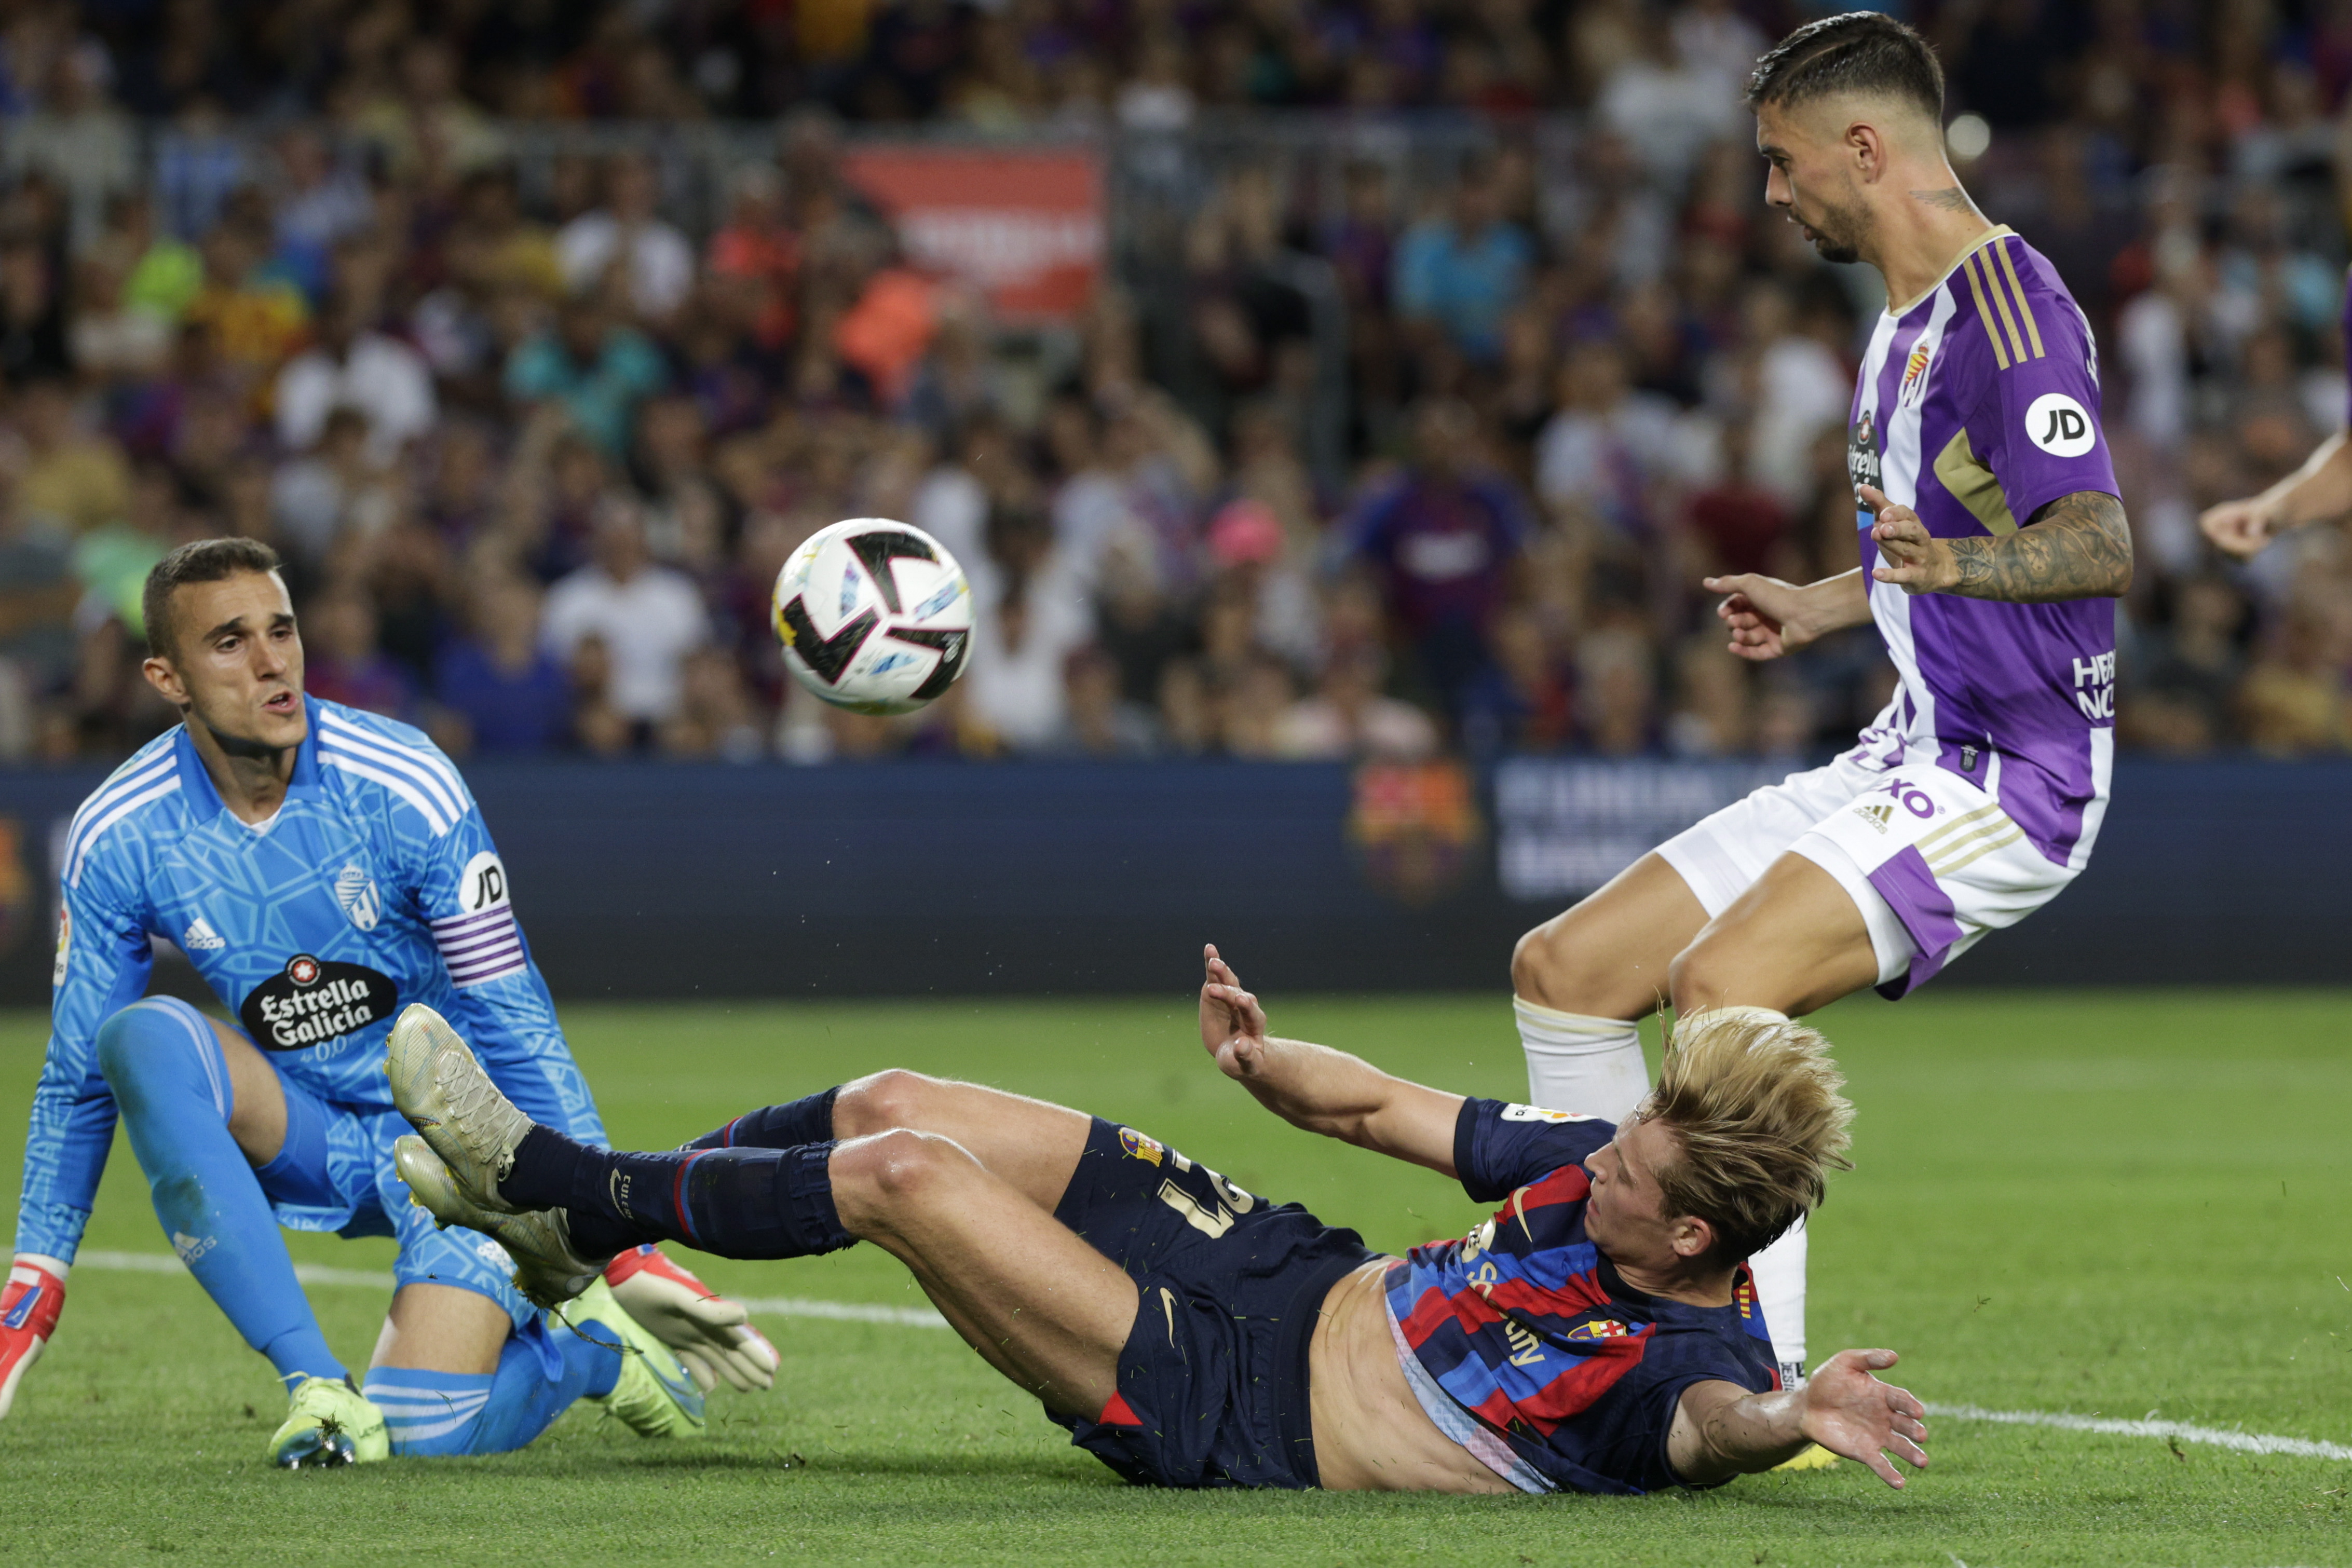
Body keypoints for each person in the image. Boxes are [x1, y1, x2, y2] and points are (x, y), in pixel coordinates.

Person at [1508, 11, 2132, 1404]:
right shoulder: (1904, 321)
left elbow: (2096, 542)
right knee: (1567, 970)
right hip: (1904, 743)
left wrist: (1943, 565)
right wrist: (1825, 598)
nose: (1772, 195)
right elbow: (1940, 549)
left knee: (1723, 984)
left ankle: (1755, 1383)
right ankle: (1609, 1301)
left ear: (1862, 146)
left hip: (2010, 777)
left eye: (1782, 166)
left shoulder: (2007, 318)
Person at [380, 948, 1930, 1496]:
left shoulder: (1672, 1357)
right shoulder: (1605, 1159)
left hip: (1232, 1404)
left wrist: (1791, 1406)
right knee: (889, 1095)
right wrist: (1266, 1064)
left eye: (1627, 1183)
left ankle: (548, 1182)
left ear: (1686, 1244)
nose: (1597, 1165)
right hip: (1277, 1259)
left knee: (906, 1176)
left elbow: (1720, 1426)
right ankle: (591, 1229)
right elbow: (1382, 1110)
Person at [0, 538, 778, 1465]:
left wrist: (616, 1234)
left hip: (465, 1148)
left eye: (281, 630)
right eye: (229, 641)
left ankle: (587, 1356)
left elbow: (512, 1014)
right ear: (166, 676)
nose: (271, 661)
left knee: (426, 1429)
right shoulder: (119, 832)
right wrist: (33, 1279)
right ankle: (317, 1387)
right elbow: (76, 1080)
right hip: (313, 1134)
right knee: (140, 1038)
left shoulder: (402, 781)